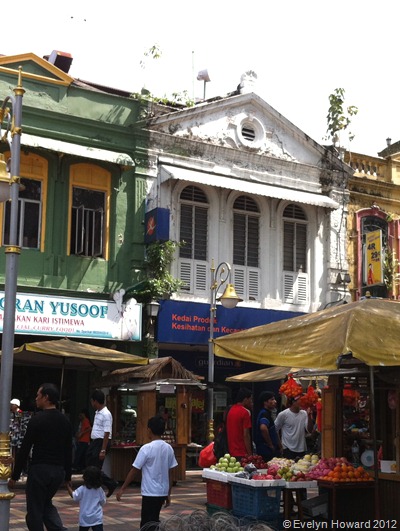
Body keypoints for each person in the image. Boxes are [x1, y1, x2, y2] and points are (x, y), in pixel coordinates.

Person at [8, 383, 72, 531]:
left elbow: (25, 449)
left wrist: (14, 476)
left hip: (40, 471)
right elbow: (68, 451)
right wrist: (67, 477)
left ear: (46, 398)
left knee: (35, 512)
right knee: (45, 505)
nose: (36, 398)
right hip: (57, 472)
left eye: (38, 395)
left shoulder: (37, 420)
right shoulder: (65, 421)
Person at [116, 416, 178, 531]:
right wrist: (168, 493)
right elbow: (170, 473)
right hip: (162, 491)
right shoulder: (169, 448)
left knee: (147, 523)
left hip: (150, 492)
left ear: (149, 430)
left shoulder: (146, 448)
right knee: (154, 520)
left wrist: (122, 488)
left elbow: (134, 470)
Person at [86, 389, 118, 498]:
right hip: (95, 441)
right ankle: (98, 486)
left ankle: (109, 483)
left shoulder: (106, 414)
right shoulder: (97, 412)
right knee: (90, 465)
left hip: (101, 442)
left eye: (92, 401)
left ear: (95, 401)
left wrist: (103, 449)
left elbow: (107, 432)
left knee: (95, 468)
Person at [274, 393, 314, 459]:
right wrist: (280, 445)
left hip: (301, 449)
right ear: (293, 402)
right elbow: (275, 429)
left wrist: (309, 416)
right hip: (288, 449)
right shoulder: (283, 414)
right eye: (300, 400)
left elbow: (309, 430)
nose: (303, 402)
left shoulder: (304, 413)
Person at [67, 465, 106, 531]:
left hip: (84, 518)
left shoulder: (82, 489)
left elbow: (74, 496)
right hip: (96, 518)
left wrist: (68, 487)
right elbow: (103, 502)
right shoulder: (99, 489)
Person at [226, 388, 253, 460]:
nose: (251, 402)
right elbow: (246, 435)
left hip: (231, 450)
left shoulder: (230, 410)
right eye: (250, 399)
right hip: (242, 451)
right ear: (245, 399)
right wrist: (250, 454)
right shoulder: (245, 412)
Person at [254, 391, 282, 462]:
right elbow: (263, 428)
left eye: (274, 399)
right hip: (265, 450)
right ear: (265, 402)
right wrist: (270, 445)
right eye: (272, 399)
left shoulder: (267, 413)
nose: (275, 401)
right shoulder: (264, 414)